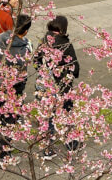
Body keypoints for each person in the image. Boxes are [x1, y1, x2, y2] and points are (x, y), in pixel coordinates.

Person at [34, 16, 80, 157]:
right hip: (61, 85)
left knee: (47, 116)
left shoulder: (44, 40)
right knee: (66, 112)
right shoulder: (64, 43)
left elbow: (36, 60)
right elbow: (75, 67)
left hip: (44, 85)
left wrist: (43, 72)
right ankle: (71, 143)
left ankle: (47, 148)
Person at [0, 14, 33, 159]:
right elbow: (25, 63)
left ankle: (1, 145)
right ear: (26, 31)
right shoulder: (26, 46)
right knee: (11, 118)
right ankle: (5, 152)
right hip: (16, 86)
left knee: (0, 115)